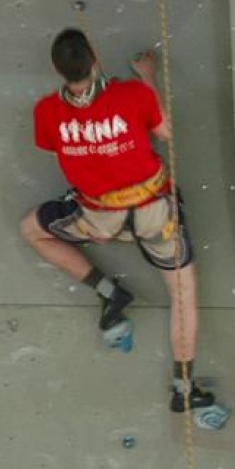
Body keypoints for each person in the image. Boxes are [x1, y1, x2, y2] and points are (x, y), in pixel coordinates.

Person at [20, 28, 210, 412]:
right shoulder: (131, 94)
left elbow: (52, 145)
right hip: (154, 213)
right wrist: (148, 76)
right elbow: (165, 132)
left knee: (32, 229)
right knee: (183, 294)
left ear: (58, 70)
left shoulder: (46, 111)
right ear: (95, 59)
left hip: (99, 218)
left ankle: (109, 291)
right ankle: (183, 388)